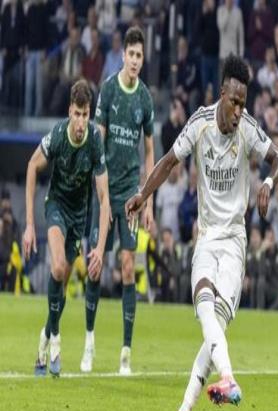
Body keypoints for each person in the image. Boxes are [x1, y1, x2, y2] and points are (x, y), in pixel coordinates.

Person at [125, 54, 278, 411]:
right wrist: (143, 194)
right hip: (207, 237)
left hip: (234, 242)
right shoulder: (199, 123)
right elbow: (169, 161)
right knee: (204, 309)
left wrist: (268, 182)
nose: (239, 111)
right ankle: (220, 384)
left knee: (215, 326)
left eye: (244, 103)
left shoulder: (248, 129)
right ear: (222, 94)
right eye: (234, 102)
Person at [80, 26, 155, 375]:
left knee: (127, 265)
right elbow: (98, 141)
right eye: (132, 54)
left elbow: (150, 151)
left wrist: (148, 200)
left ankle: (126, 352)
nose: (135, 60)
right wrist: (99, 192)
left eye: (140, 55)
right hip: (105, 192)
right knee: (96, 265)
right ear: (123, 55)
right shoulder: (109, 89)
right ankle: (89, 341)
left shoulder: (145, 99)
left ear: (143, 58)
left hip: (130, 197)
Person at [23, 80, 110, 377]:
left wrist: (99, 248)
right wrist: (30, 225)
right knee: (58, 267)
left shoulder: (95, 140)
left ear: (89, 114)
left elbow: (104, 198)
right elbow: (32, 166)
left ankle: (44, 339)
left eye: (85, 115)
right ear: (69, 111)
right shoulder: (58, 135)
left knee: (60, 289)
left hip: (79, 217)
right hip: (56, 206)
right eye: (77, 114)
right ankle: (56, 339)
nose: (81, 122)